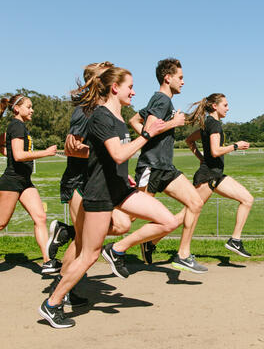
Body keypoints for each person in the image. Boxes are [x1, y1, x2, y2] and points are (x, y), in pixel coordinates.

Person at [39, 66, 178, 328]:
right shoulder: (101, 116)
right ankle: (52, 303)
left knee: (168, 221)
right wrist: (148, 134)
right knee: (88, 255)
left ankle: (116, 250)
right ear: (115, 88)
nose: (134, 91)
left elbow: (110, 159)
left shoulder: (117, 116)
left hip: (120, 189)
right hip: (100, 193)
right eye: (130, 87)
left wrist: (124, 176)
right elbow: (118, 154)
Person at [47, 62, 139, 308]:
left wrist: (112, 163)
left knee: (120, 224)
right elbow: (71, 148)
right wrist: (102, 154)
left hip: (98, 180)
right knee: (82, 243)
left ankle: (64, 243)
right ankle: (61, 291)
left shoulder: (107, 111)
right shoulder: (86, 111)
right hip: (80, 181)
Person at [128, 58, 206, 273]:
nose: (183, 82)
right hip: (151, 167)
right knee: (128, 217)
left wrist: (146, 138)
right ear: (167, 78)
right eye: (180, 78)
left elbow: (135, 121)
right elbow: (150, 126)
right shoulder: (161, 99)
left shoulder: (160, 101)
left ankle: (183, 255)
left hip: (165, 167)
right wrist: (174, 123)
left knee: (195, 203)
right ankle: (74, 233)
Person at [185, 93, 253, 257]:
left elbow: (189, 140)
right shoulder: (213, 124)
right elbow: (215, 151)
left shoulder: (206, 124)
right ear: (215, 106)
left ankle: (235, 240)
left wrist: (201, 158)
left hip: (216, 175)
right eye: (225, 105)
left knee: (247, 199)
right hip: (207, 177)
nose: (228, 108)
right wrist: (235, 146)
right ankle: (151, 241)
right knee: (186, 215)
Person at [0, 95, 60, 273]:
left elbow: (10, 150)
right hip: (11, 182)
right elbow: (18, 155)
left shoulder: (19, 127)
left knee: (40, 217)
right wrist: (46, 153)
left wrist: (7, 152)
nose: (32, 110)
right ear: (17, 109)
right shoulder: (16, 125)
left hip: (25, 181)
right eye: (29, 106)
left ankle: (48, 261)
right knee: (1, 223)